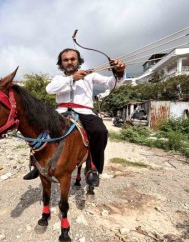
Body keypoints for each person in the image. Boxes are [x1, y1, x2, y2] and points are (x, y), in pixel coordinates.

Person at [23, 48, 126, 185]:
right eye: (66, 60)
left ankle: (92, 167)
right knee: (37, 129)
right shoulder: (58, 78)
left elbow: (111, 84)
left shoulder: (90, 75)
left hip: (85, 112)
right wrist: (72, 79)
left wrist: (119, 72)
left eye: (73, 59)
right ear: (61, 63)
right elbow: (50, 90)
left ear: (78, 61)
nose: (70, 62)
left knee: (100, 131)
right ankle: (37, 165)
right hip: (60, 112)